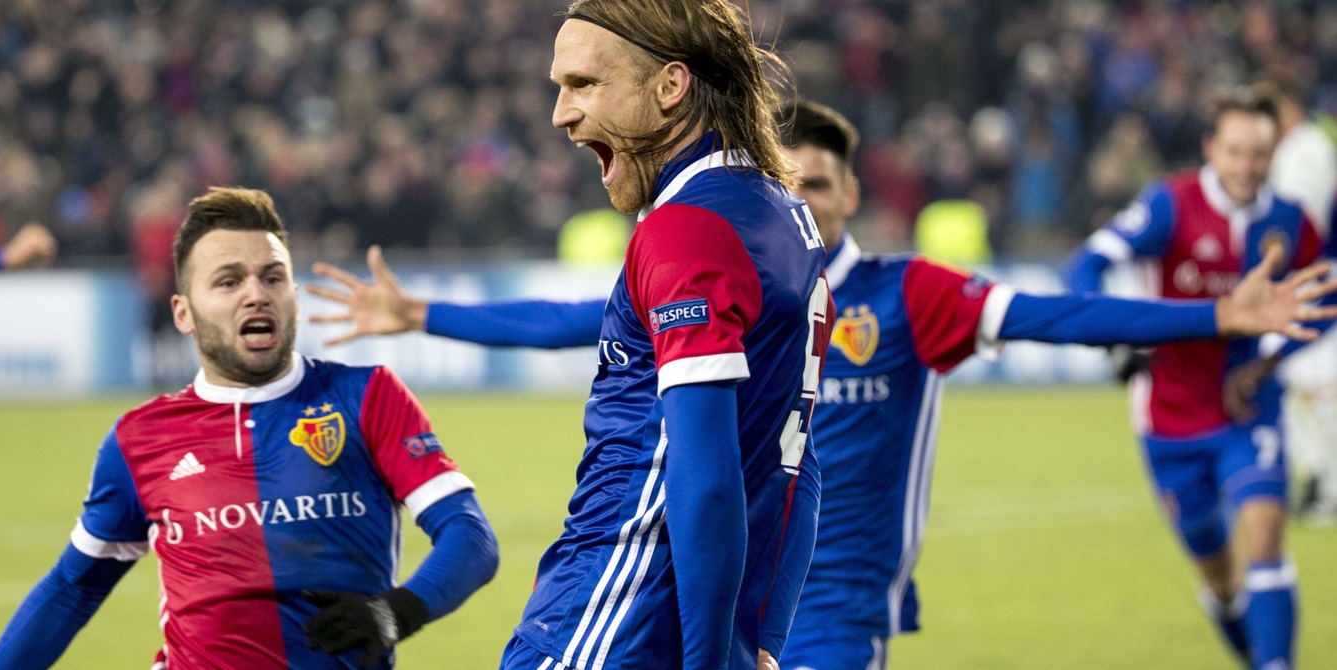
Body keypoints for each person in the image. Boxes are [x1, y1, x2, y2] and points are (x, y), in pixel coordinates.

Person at [309, 98, 1337, 670]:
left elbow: (1053, 315)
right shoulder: (729, 279)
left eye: (819, 183)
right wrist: (424, 316)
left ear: (848, 193)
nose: (801, 196)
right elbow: (564, 323)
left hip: (837, 605)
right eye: (787, 179)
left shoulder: (906, 294)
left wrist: (1215, 319)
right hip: (713, 594)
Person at [0, 187, 499, 670]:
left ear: (294, 297)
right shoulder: (139, 440)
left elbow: (470, 537)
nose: (256, 295)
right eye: (229, 282)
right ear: (184, 313)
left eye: (273, 278)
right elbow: (73, 587)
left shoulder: (367, 397)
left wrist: (397, 611)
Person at [1066, 87, 1327, 670]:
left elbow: (1325, 294)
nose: (1246, 166)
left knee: (1265, 536)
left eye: (1259, 154)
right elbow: (1085, 265)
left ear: (1273, 154)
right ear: (1211, 147)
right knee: (1218, 574)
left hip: (1248, 409)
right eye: (1235, 152)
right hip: (1169, 418)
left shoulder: (1290, 220)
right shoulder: (1169, 205)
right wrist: (1115, 339)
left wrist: (1268, 363)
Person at [1258, 74, 1337, 524]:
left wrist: (1271, 263)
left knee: (1313, 384)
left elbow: (1301, 223)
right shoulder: (1305, 147)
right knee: (1299, 382)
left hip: (1313, 276)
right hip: (1312, 274)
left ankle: (1326, 483)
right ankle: (1319, 478)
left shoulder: (1303, 150)